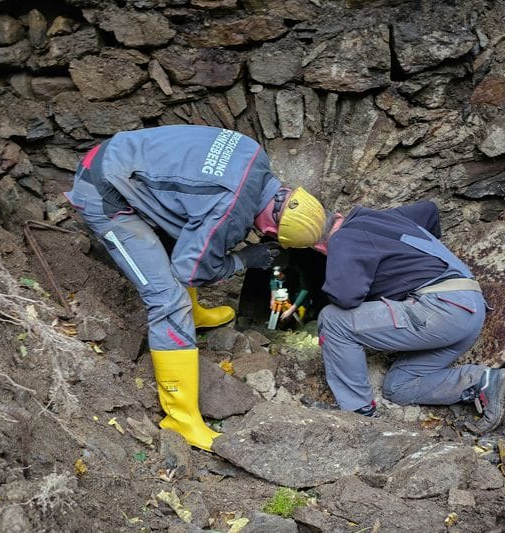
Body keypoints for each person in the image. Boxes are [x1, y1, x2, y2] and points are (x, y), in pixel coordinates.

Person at [64, 125, 326, 451]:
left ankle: (196, 316)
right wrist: (247, 259)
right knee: (168, 300)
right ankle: (181, 418)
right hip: (106, 192)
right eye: (273, 236)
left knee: (189, 234)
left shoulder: (255, 154)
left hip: (123, 157)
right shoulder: (231, 210)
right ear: (273, 228)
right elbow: (190, 271)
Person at [314, 200, 505, 434]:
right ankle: (483, 381)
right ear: (337, 214)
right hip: (468, 309)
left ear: (320, 248)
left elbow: (345, 298)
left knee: (333, 320)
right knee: (398, 387)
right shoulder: (379, 218)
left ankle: (358, 414)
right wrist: (417, 265)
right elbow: (429, 209)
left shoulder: (342, 239)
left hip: (440, 309)